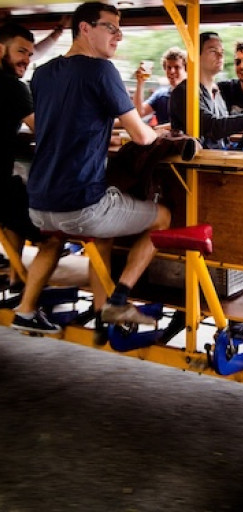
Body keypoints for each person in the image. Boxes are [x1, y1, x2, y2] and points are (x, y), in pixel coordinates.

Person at [11, 1, 171, 334]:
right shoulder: (101, 71)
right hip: (80, 205)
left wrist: (103, 133)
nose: (118, 36)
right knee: (164, 216)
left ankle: (60, 309)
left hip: (39, 204)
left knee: (102, 233)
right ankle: (117, 301)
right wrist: (158, 131)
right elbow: (141, 136)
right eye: (111, 28)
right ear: (85, 28)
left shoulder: (42, 74)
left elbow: (61, 123)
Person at [170, 31, 243, 149]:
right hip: (200, 164)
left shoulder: (217, 93)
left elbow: (223, 136)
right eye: (213, 51)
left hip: (220, 159)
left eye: (222, 52)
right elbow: (213, 128)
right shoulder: (184, 92)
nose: (220, 56)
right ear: (196, 56)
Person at [0, 23, 41, 292]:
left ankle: (17, 277)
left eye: (30, 54)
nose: (26, 59)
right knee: (52, 227)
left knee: (15, 204)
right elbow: (42, 128)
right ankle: (30, 298)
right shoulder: (13, 86)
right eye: (21, 51)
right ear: (1, 49)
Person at [133, 46, 187, 126]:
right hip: (163, 137)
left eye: (177, 67)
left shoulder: (193, 96)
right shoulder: (161, 94)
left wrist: (156, 129)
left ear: (186, 69)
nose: (172, 71)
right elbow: (139, 112)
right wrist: (140, 82)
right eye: (169, 67)